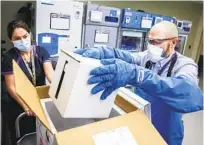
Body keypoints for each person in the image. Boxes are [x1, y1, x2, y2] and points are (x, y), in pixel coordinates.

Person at [75, 21, 203, 145]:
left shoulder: (185, 64)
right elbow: (126, 56)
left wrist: (139, 75)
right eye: (150, 41)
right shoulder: (146, 57)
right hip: (143, 120)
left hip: (167, 129)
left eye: (157, 42)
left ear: (173, 42)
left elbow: (190, 95)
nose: (152, 46)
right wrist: (103, 53)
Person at [1, 20, 53, 145]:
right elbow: (11, 87)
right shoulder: (9, 58)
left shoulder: (41, 52)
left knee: (39, 135)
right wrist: (25, 105)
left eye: (25, 36)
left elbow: (50, 73)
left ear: (30, 34)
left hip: (37, 101)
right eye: (17, 38)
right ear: (11, 41)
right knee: (22, 136)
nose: (22, 40)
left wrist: (59, 89)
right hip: (18, 104)